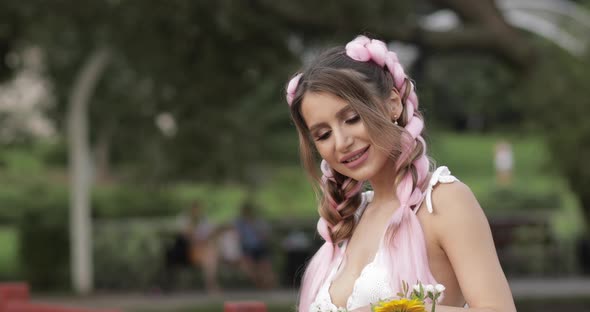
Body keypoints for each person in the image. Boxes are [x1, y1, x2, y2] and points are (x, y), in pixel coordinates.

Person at [284, 35, 516, 312]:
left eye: (352, 118)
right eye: (323, 134)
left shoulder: (442, 202)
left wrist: (394, 310)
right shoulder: (350, 219)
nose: (341, 142)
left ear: (393, 103)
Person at [234, 200, 277, 289]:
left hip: (260, 247)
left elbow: (266, 236)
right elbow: (237, 236)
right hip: (247, 248)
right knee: (250, 267)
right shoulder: (239, 223)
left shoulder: (259, 222)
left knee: (265, 266)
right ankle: (260, 284)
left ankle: (269, 285)